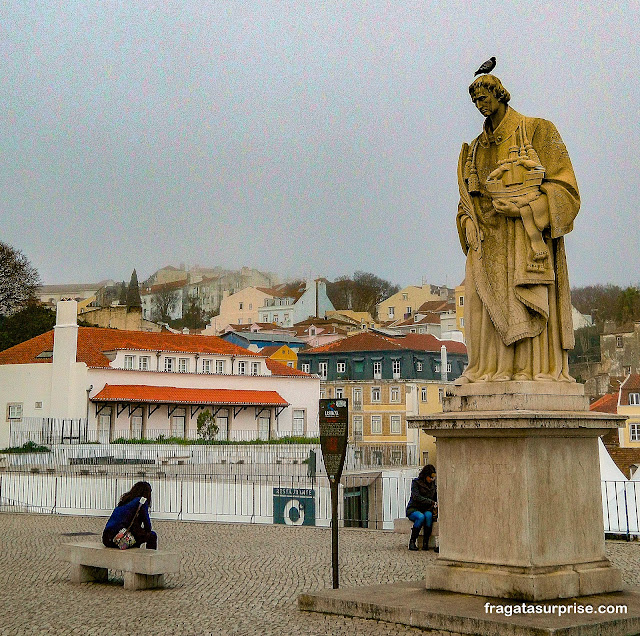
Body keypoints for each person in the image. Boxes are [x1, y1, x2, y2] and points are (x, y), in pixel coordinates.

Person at [456, 74, 580, 383]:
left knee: (525, 304)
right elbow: (466, 201)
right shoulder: (473, 149)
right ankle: (487, 370)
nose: (479, 105)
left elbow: (566, 191)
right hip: (486, 245)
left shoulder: (538, 130)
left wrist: (527, 210)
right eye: (474, 101)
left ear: (499, 95)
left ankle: (530, 369)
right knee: (481, 307)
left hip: (524, 239)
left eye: (483, 98)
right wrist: (466, 221)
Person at [102, 481, 157, 549]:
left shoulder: (126, 500)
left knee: (136, 534)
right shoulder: (141, 501)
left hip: (107, 539)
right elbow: (147, 524)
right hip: (119, 538)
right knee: (152, 536)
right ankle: (149, 557)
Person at [406, 464, 438, 551]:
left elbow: (435, 498)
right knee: (420, 517)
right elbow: (416, 497)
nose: (431, 479)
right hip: (414, 508)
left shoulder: (433, 486)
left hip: (427, 509)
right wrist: (430, 502)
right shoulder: (416, 483)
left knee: (428, 516)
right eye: (430, 477)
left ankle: (425, 542)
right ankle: (412, 541)